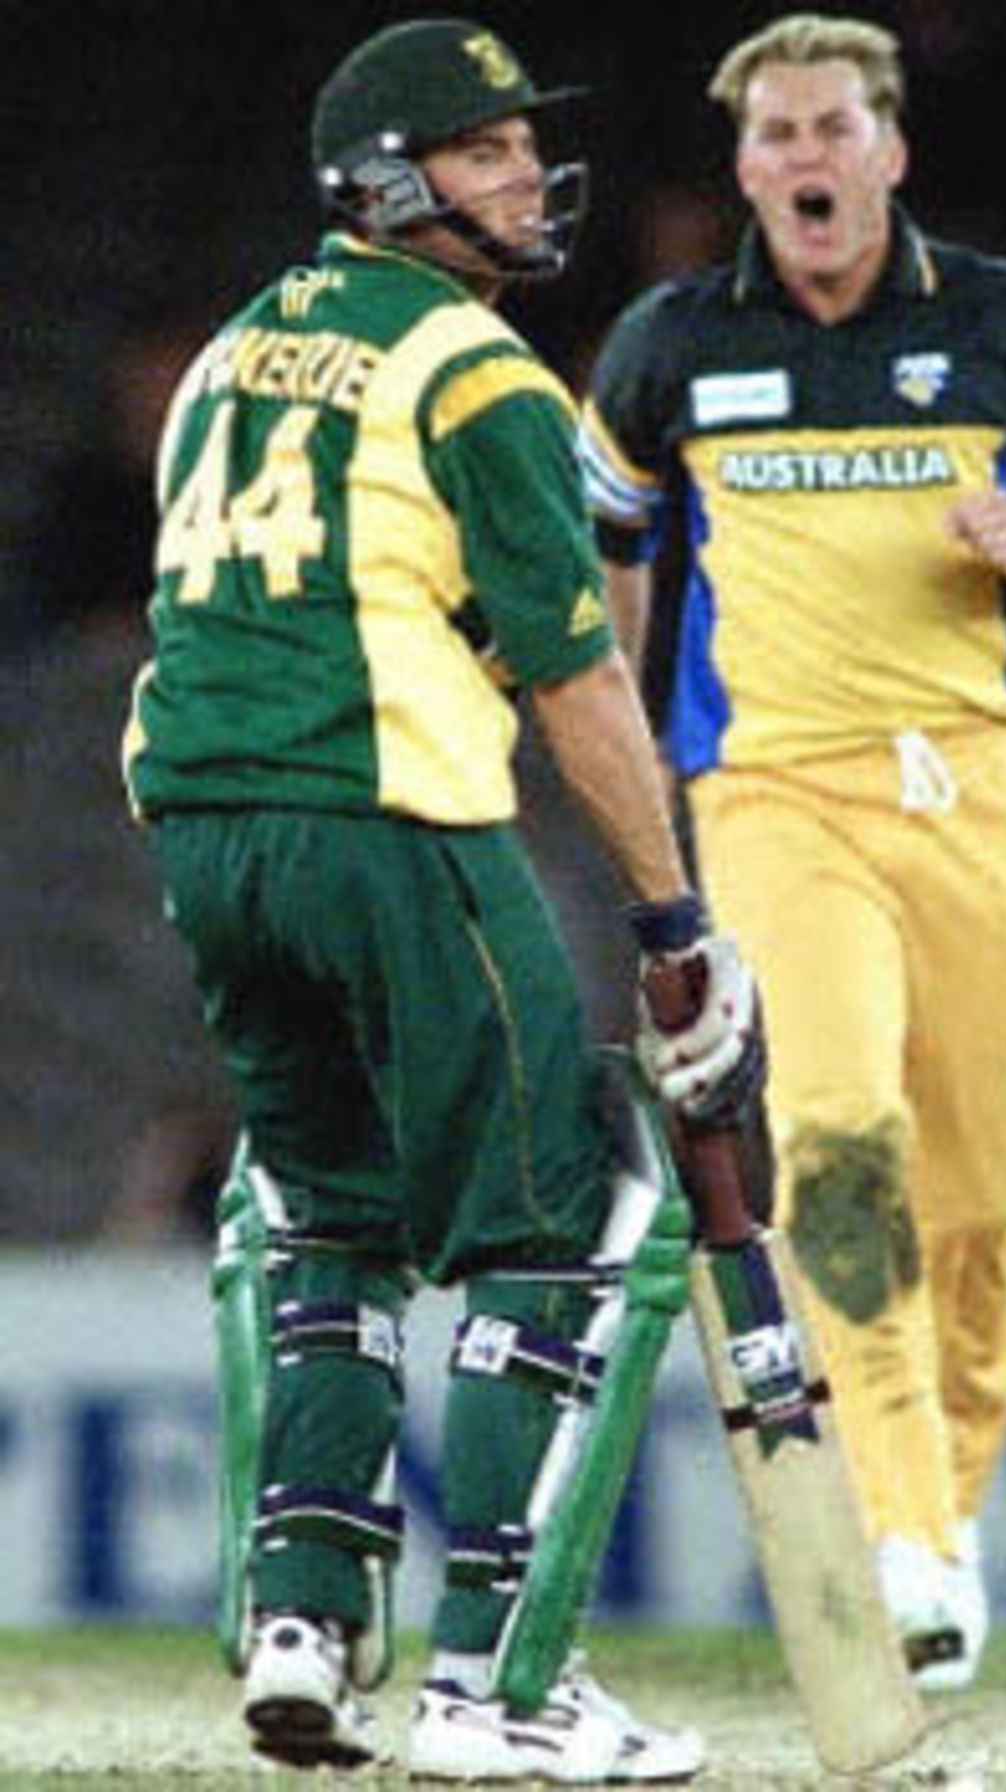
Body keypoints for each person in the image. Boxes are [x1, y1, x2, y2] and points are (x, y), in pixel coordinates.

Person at [122, 18, 762, 1780]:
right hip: (386, 818)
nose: (518, 177)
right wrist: (672, 923)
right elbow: (570, 683)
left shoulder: (234, 352)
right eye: (477, 152)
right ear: (388, 182)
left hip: (205, 827)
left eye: (511, 147)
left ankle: (306, 1625)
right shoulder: (477, 374)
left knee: (328, 1220)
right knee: (544, 1220)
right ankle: (499, 1680)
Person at [580, 13, 1006, 1693]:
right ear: (747, 164)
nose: (804, 159)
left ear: (889, 151)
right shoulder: (672, 342)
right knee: (837, 1136)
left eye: (833, 128)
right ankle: (903, 1530)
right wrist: (615, 727)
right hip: (774, 792)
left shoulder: (999, 318)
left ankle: (942, 1527)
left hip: (983, 791)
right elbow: (613, 536)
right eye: (774, 135)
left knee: (981, 1196)